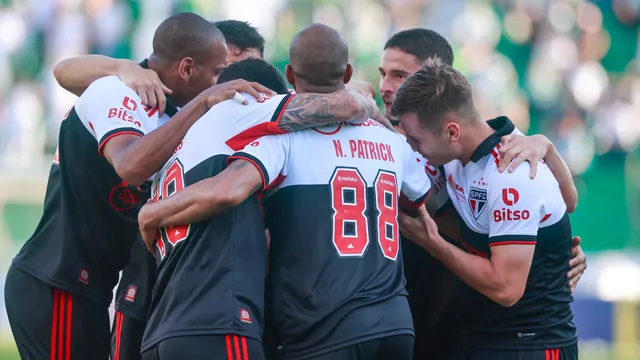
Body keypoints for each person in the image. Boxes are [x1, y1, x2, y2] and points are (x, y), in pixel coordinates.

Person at [137, 23, 428, 360]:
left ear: (289, 74)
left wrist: (151, 213)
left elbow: (229, 189)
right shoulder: (391, 141)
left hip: (318, 325)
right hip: (394, 322)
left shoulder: (275, 140)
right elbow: (426, 200)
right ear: (348, 72)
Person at [378, 27, 587, 359]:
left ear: (451, 130)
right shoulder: (453, 155)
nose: (386, 86)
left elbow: (506, 288)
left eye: (400, 75)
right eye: (383, 74)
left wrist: (432, 242)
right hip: (475, 336)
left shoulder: (513, 168)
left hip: (529, 344)